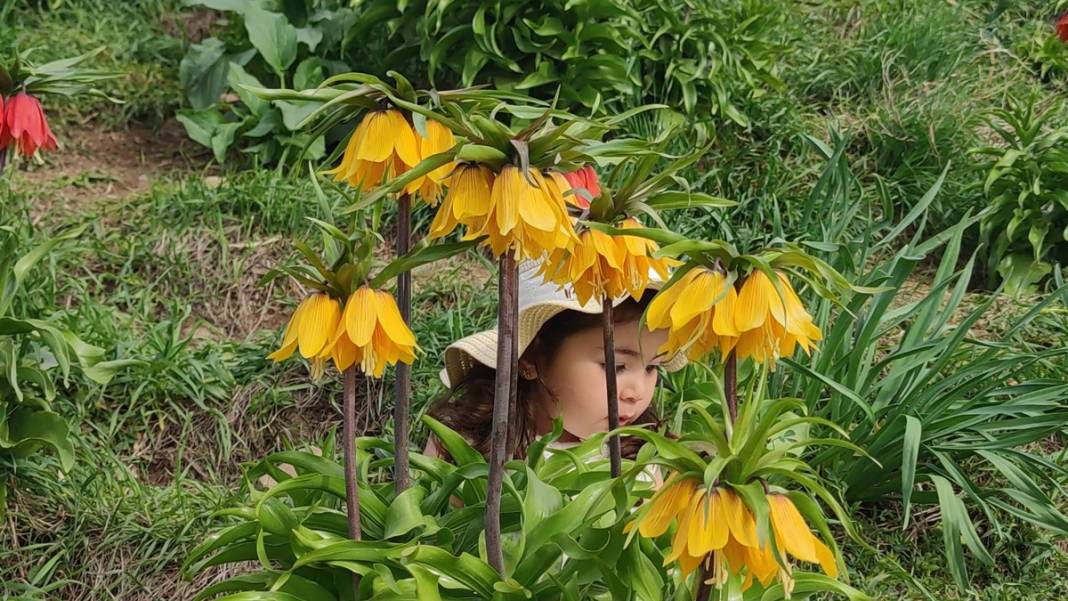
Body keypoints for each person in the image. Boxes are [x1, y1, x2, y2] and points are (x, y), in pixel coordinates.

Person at [424, 259, 686, 468]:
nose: (637, 392)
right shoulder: (464, 444)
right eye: (616, 366)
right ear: (530, 357)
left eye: (652, 367)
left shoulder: (638, 456)